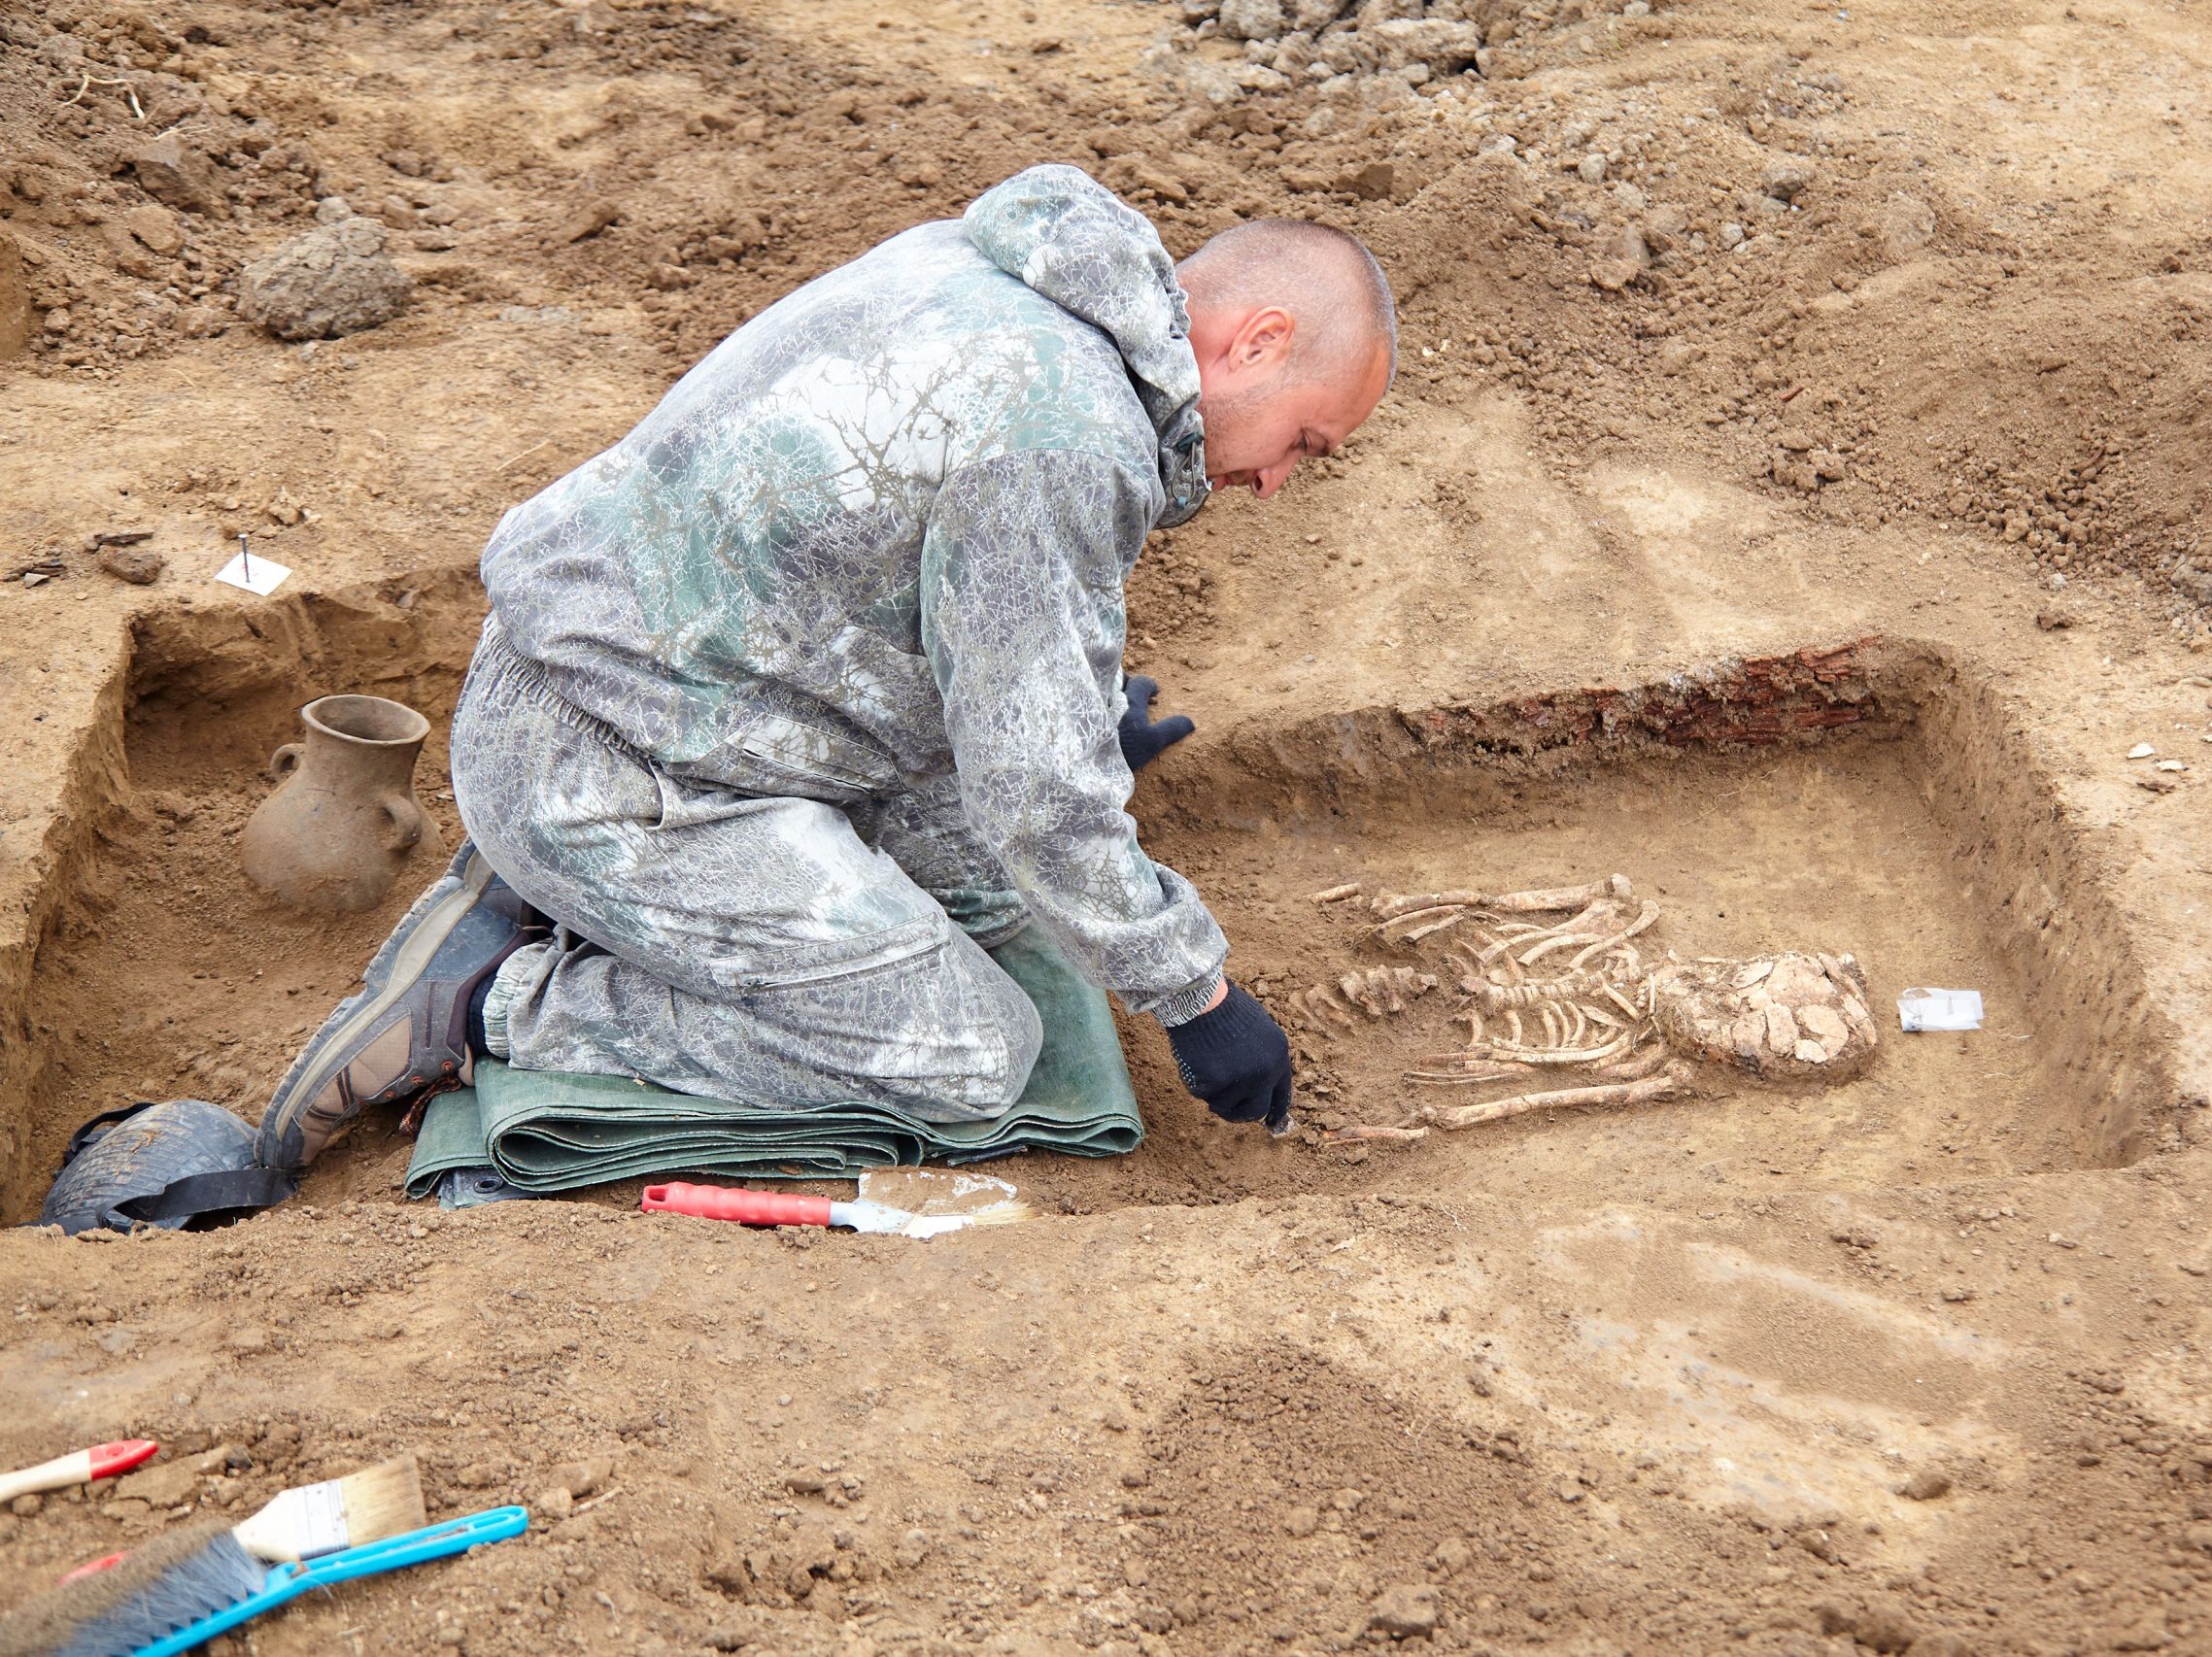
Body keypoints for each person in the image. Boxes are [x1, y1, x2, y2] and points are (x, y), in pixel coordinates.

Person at [255, 163, 1396, 1171]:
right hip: (609, 771)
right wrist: (1194, 997)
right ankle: (485, 1004)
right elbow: (1039, 793)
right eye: (1306, 441)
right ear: (1257, 341)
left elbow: (892, 568)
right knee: (968, 1049)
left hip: (631, 689)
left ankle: (565, 899)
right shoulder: (1068, 435)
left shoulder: (1014, 275)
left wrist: (1086, 711)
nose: (1279, 481)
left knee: (995, 887)